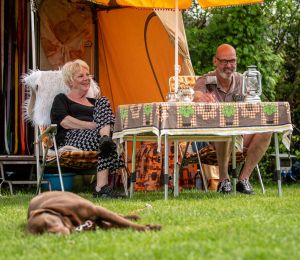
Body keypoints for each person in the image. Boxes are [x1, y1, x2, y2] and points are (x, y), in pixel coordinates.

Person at [193, 43, 272, 194]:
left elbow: (256, 102)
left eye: (232, 61)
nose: (229, 65)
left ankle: (243, 180)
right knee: (226, 128)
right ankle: (223, 180)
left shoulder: (243, 80)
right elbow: (196, 97)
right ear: (215, 61)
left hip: (240, 136)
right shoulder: (207, 80)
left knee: (267, 129)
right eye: (224, 61)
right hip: (213, 137)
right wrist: (202, 98)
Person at [50, 59, 125, 198]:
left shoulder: (96, 102)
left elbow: (108, 120)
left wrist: (101, 130)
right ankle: (100, 187)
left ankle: (104, 138)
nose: (86, 79)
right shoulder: (62, 99)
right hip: (71, 137)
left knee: (103, 102)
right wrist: (90, 125)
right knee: (108, 141)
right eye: (81, 76)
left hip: (96, 136)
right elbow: (65, 122)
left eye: (88, 75)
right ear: (70, 81)